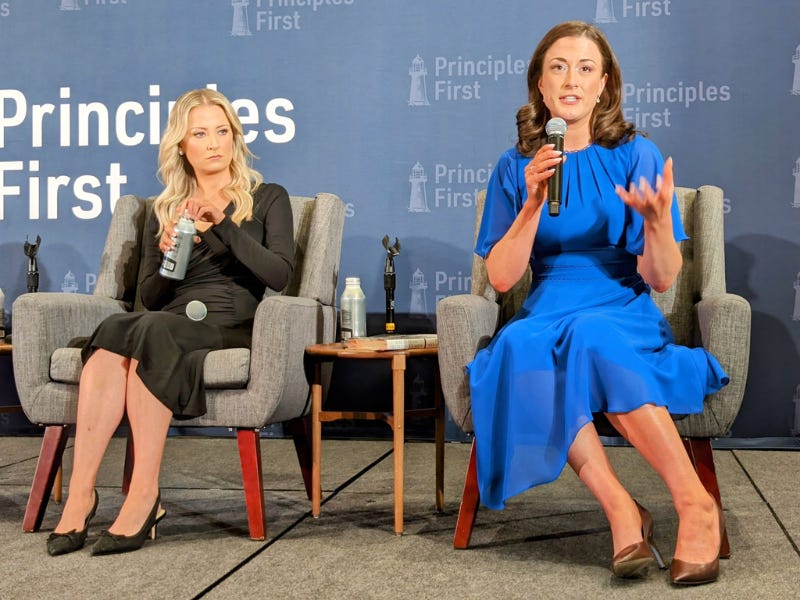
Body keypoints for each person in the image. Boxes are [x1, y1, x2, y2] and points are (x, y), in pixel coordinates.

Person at [467, 21, 729, 585]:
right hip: (546, 306)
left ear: (604, 84)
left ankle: (695, 503)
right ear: (540, 85)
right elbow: (502, 279)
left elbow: (661, 279)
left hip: (619, 306)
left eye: (586, 69)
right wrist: (533, 202)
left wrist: (656, 226)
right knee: (517, 344)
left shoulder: (635, 154)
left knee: (590, 336)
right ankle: (621, 510)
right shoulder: (516, 166)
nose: (572, 79)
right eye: (558, 67)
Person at [46, 88, 295, 556]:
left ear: (235, 137)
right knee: (122, 331)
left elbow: (279, 275)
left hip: (230, 328)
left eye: (222, 131)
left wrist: (222, 223)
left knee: (147, 330)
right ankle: (81, 495)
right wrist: (167, 258)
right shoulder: (163, 210)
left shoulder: (266, 198)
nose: (214, 143)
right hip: (168, 325)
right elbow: (149, 298)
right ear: (181, 145)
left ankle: (144, 495)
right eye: (200, 134)